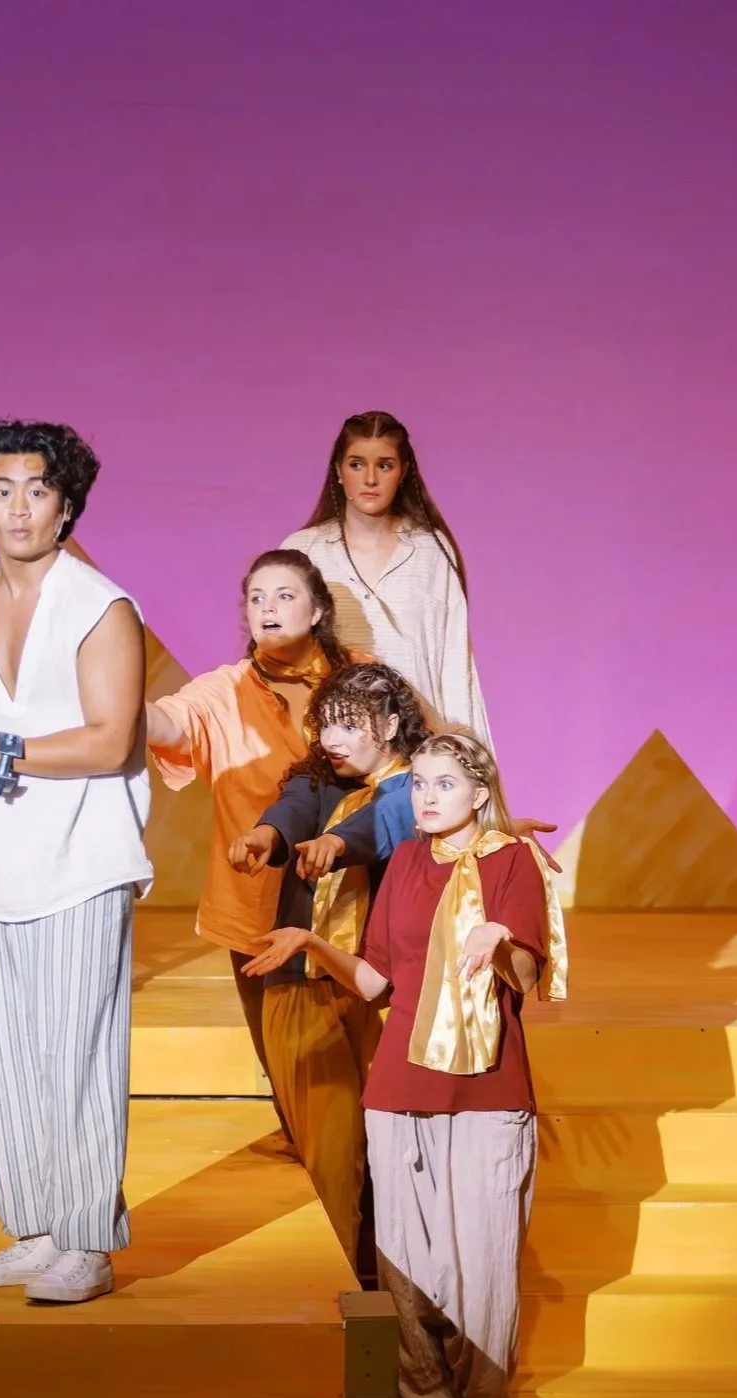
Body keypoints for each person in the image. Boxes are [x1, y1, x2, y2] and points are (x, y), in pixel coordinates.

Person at [246, 730, 566, 1398]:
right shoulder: (404, 867)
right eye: (418, 782)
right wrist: (312, 943)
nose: (426, 796)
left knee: (484, 1267)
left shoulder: (512, 861)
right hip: (397, 1091)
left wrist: (497, 936)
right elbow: (378, 984)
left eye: (444, 783)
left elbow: (527, 976)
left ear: (479, 793)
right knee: (404, 1263)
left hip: (486, 1092)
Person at [0, 418, 151, 1306]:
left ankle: (87, 1241)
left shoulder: (101, 606)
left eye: (38, 490)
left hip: (83, 858)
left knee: (78, 1057)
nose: (19, 507)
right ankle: (35, 1231)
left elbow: (110, 738)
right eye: (2, 490)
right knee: (4, 1062)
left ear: (66, 506)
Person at [142, 549, 361, 1142]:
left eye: (285, 595)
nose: (268, 607)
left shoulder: (362, 678)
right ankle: (306, 1146)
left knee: (356, 1047)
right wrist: (109, 698)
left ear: (317, 610)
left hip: (353, 894)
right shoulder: (225, 690)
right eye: (257, 597)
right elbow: (168, 723)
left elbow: (419, 758)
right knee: (281, 1048)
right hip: (258, 899)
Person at [229, 662, 431, 1281]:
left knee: (395, 1148)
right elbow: (292, 809)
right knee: (332, 1150)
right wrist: (267, 835)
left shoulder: (422, 789)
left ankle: (393, 1286)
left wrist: (339, 843)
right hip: (305, 991)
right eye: (326, 725)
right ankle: (337, 1289)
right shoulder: (318, 782)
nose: (333, 740)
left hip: (384, 997)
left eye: (350, 725)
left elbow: (391, 819)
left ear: (390, 725)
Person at [279, 410, 487, 737]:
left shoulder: (430, 550)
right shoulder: (304, 551)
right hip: (329, 743)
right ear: (338, 470)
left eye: (385, 465)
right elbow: (281, 659)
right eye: (357, 464)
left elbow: (455, 662)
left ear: (403, 472)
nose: (370, 479)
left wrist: (465, 749)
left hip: (418, 741)